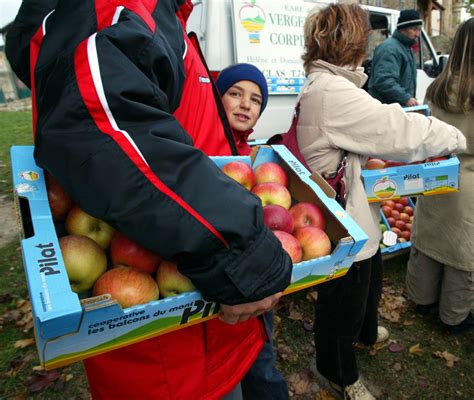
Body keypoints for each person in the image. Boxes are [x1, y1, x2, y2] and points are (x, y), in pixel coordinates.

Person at [6, 1, 292, 399]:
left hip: (206, 331)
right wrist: (238, 249)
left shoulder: (169, 18)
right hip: (169, 358)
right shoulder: (125, 8)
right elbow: (102, 124)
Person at [298, 4, 466, 399]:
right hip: (343, 219)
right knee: (344, 300)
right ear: (351, 42)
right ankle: (337, 372)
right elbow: (398, 129)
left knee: (368, 280)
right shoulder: (332, 91)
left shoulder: (329, 84)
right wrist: (457, 136)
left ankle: (366, 332)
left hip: (354, 209)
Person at [216, 63, 289, 400]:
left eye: (256, 99)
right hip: (226, 287)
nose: (245, 104)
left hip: (261, 276)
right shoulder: (209, 154)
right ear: (216, 98)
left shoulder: (256, 161)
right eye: (235, 93)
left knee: (262, 353)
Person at [406, 18, 474, 335]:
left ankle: (421, 299)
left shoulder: (437, 87)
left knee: (430, 239)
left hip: (435, 174)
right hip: (468, 184)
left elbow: (425, 130)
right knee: (462, 252)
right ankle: (454, 316)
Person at [368, 9, 423, 106]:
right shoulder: (390, 48)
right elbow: (383, 80)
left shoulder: (406, 48)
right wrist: (406, 98)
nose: (417, 34)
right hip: (386, 109)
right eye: (414, 29)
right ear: (402, 28)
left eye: (419, 29)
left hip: (396, 107)